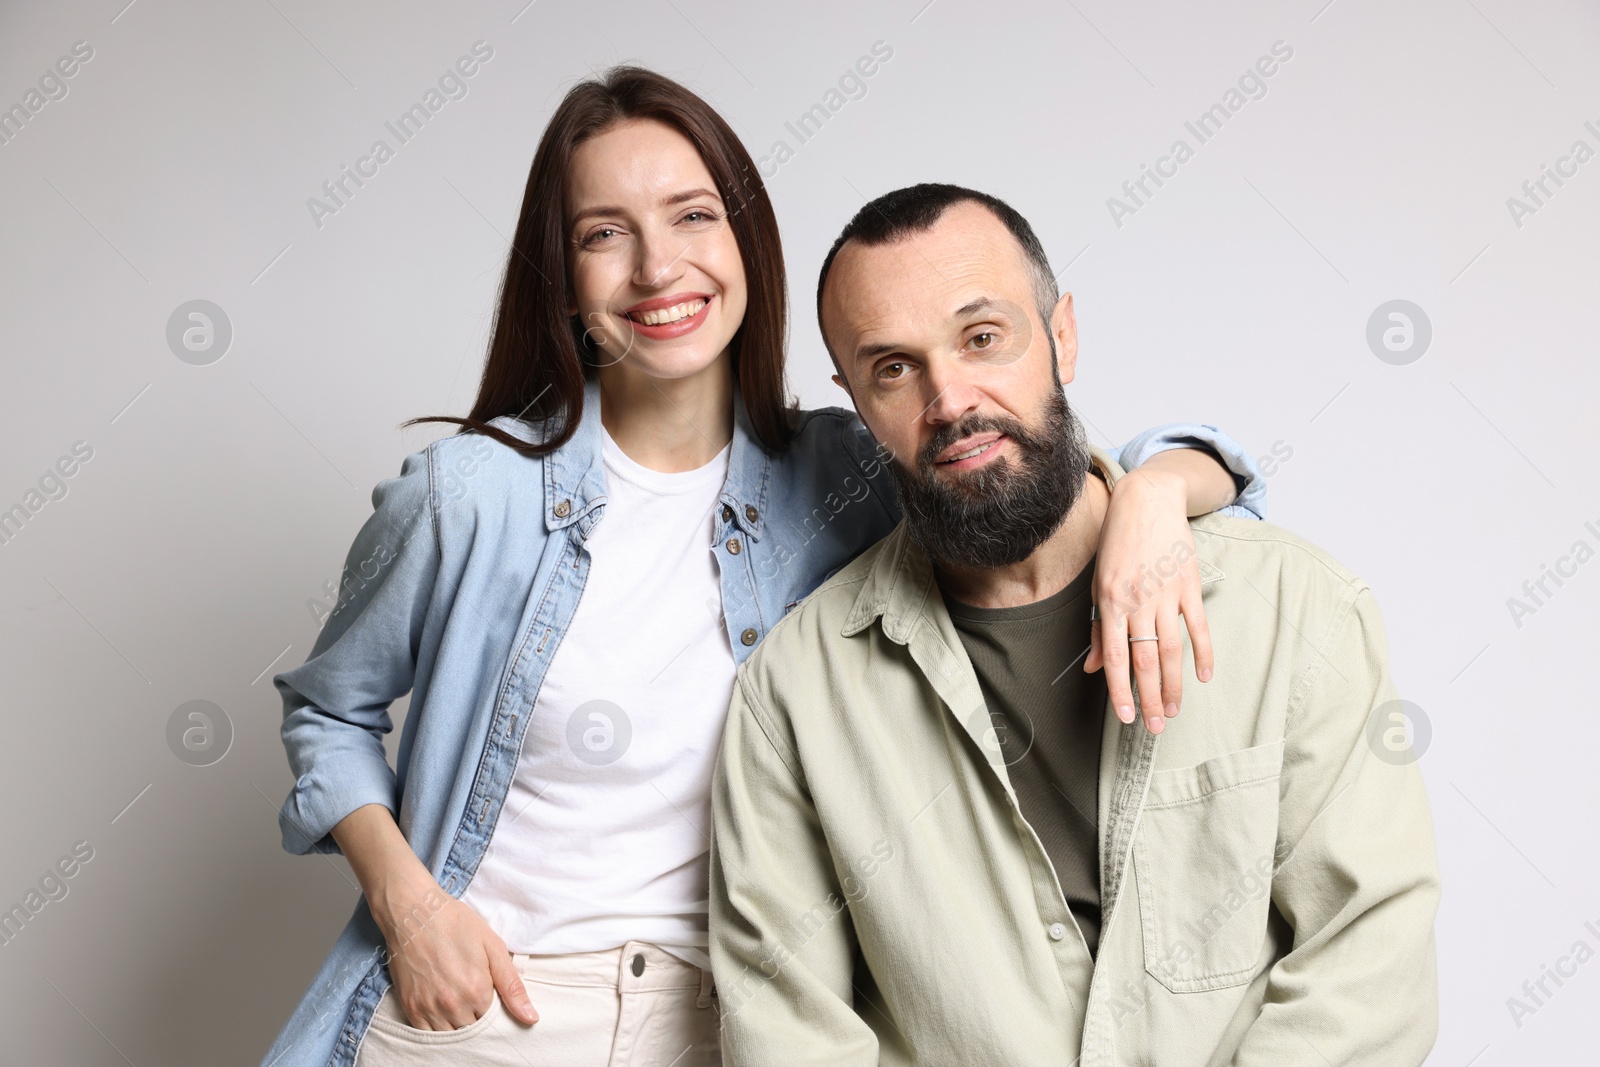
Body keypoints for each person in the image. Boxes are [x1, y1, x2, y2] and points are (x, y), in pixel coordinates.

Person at [261, 68, 1265, 1067]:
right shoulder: (468, 495)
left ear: (746, 241)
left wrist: (1148, 496)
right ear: (561, 279)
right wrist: (410, 906)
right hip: (491, 1010)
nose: (658, 268)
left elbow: (1062, 476)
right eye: (603, 233)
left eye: (691, 216)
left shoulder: (847, 474)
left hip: (749, 1021)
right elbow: (326, 709)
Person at [708, 183, 1441, 1066]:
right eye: (894, 368)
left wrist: (1161, 484)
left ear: (1061, 335)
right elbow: (786, 1028)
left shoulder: (1296, 608)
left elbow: (1368, 957)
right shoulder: (793, 692)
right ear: (856, 398)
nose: (949, 398)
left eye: (983, 338)